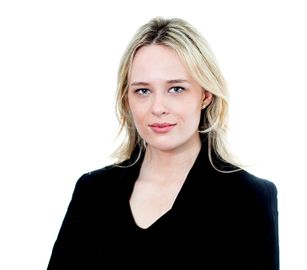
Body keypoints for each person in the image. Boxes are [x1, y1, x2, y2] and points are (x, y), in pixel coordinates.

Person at [47, 17, 279, 269]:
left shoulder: (248, 197)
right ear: (127, 99)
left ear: (205, 94)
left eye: (176, 89)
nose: (158, 108)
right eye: (143, 91)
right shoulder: (93, 192)